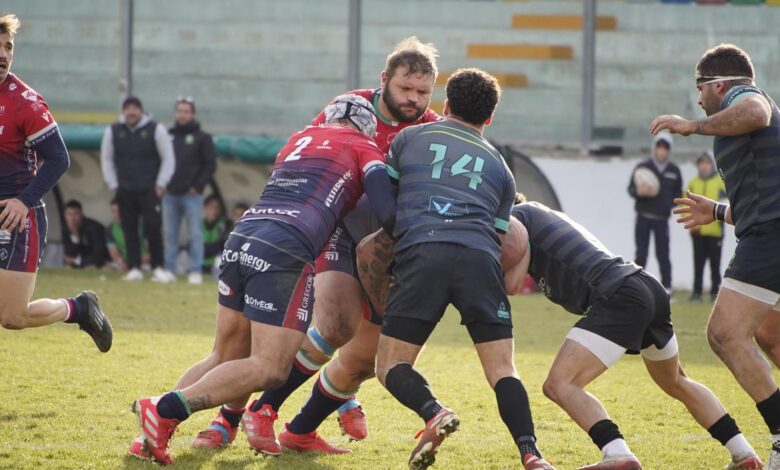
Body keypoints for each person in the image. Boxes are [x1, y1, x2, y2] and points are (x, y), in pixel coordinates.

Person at [189, 36, 441, 455]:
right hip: (335, 229)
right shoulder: (348, 111)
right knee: (327, 325)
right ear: (384, 81)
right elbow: (306, 164)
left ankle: (320, 411)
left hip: (385, 244)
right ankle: (231, 418)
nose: (414, 99)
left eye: (422, 92)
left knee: (360, 350)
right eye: (405, 89)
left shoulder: (429, 126)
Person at [126, 94, 397, 465]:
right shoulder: (365, 145)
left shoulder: (297, 140)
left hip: (243, 236)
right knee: (270, 368)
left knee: (225, 353)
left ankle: (149, 435)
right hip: (287, 247)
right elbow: (387, 213)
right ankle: (164, 409)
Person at [371, 68, 553, 470]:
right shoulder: (503, 170)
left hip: (423, 253)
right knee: (503, 369)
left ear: (446, 105)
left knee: (391, 366)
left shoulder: (409, 138)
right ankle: (531, 453)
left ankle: (433, 410)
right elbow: (502, 238)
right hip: (479, 259)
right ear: (489, 118)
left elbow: (388, 203)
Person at [503, 200, 761, 470]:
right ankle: (744, 454)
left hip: (618, 295)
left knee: (559, 384)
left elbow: (511, 283)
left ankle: (617, 453)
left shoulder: (517, 220)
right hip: (644, 286)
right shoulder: (539, 217)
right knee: (676, 381)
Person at [650, 43, 780, 468]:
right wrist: (718, 211)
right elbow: (762, 195)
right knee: (770, 336)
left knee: (725, 334)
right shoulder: (740, 123)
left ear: (717, 83)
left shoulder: (743, 99)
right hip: (767, 230)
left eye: (700, 89)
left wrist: (690, 126)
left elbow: (757, 111)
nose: (699, 99)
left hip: (770, 238)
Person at [0, 14, 112, 351]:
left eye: (9, 47)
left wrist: (23, 201)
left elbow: (59, 158)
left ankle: (78, 308)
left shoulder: (25, 103)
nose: (4, 54)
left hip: (18, 215)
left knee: (12, 317)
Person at [100, 95, 175, 283]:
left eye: (135, 108)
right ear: (123, 111)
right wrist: (113, 184)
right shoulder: (114, 131)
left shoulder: (155, 129)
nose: (131, 112)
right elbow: (106, 158)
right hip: (125, 188)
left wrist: (161, 183)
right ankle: (134, 268)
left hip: (150, 188)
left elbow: (168, 157)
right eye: (128, 108)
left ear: (141, 111)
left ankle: (158, 267)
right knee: (129, 229)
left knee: (153, 227)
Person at [163, 96, 216, 285]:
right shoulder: (167, 136)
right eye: (180, 111)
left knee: (195, 234)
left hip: (192, 195)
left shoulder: (203, 138)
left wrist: (198, 186)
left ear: (192, 114)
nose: (182, 115)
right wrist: (162, 184)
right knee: (170, 234)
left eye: (186, 111)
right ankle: (169, 269)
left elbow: (209, 165)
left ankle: (196, 270)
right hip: (170, 193)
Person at [627, 132, 682, 294]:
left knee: (663, 254)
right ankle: (637, 288)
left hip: (662, 219)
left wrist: (668, 203)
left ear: (669, 150)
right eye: (659, 147)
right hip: (643, 217)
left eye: (666, 148)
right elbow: (630, 188)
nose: (662, 151)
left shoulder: (674, 170)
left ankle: (667, 288)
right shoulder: (642, 167)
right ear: (654, 148)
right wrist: (639, 192)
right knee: (641, 254)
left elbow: (678, 194)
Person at [686, 151, 726, 302]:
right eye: (701, 163)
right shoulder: (692, 183)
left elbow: (727, 204)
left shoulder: (720, 183)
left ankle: (714, 292)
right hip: (698, 231)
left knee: (715, 264)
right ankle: (697, 292)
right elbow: (685, 204)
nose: (704, 166)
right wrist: (690, 224)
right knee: (698, 263)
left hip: (715, 231)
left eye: (707, 163)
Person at [106, 197, 149, 271]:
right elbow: (114, 254)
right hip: (124, 263)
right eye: (113, 211)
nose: (117, 214)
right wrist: (121, 262)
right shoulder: (110, 229)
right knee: (107, 269)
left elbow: (153, 253)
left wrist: (134, 262)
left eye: (119, 211)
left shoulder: (143, 225)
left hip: (144, 262)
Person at [62, 199, 108, 269]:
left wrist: (78, 261)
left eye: (75, 214)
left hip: (101, 263)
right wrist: (75, 235)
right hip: (81, 263)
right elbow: (69, 255)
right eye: (69, 214)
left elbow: (99, 255)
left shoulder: (94, 228)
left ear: (81, 214)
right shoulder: (65, 229)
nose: (72, 218)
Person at [202, 194, 228, 274]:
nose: (214, 210)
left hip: (216, 266)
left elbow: (220, 246)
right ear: (204, 208)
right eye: (211, 207)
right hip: (199, 264)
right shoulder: (197, 225)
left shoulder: (224, 225)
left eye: (217, 208)